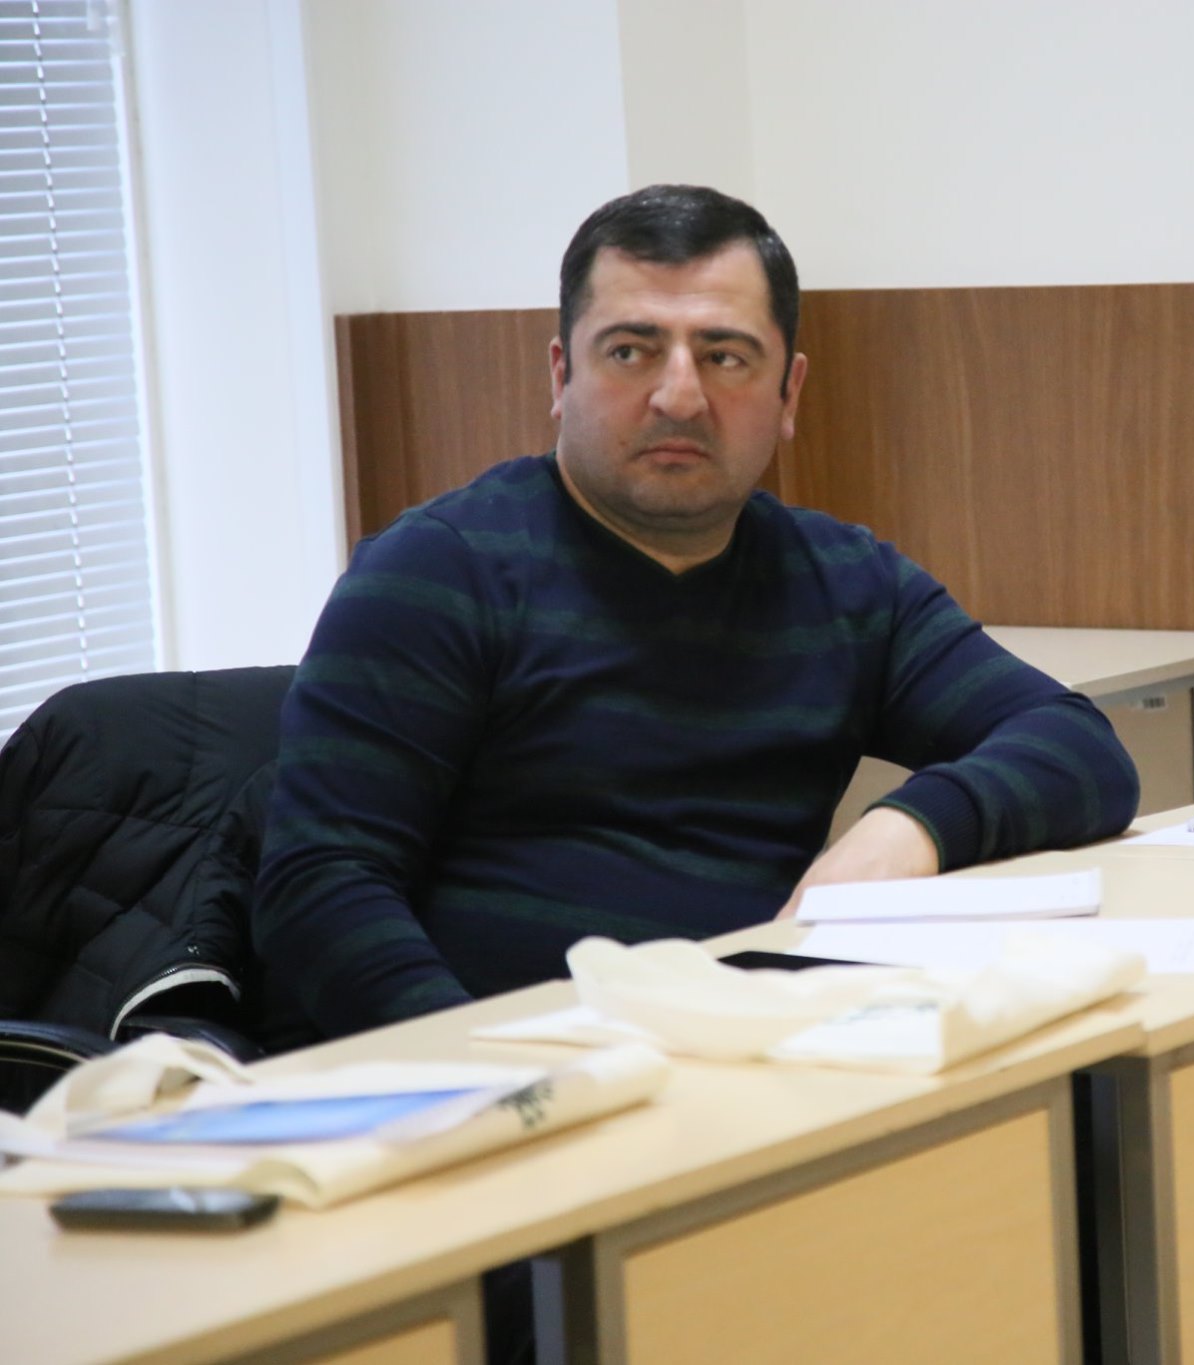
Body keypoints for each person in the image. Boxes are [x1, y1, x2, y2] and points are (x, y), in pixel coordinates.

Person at [255, 185, 1139, 1044]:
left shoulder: (845, 582)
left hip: (756, 1049)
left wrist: (910, 828)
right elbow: (320, 889)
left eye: (724, 356)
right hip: (519, 1070)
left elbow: (1077, 746)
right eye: (630, 351)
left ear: (789, 394)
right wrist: (489, 1074)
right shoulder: (438, 572)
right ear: (561, 375)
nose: (679, 396)